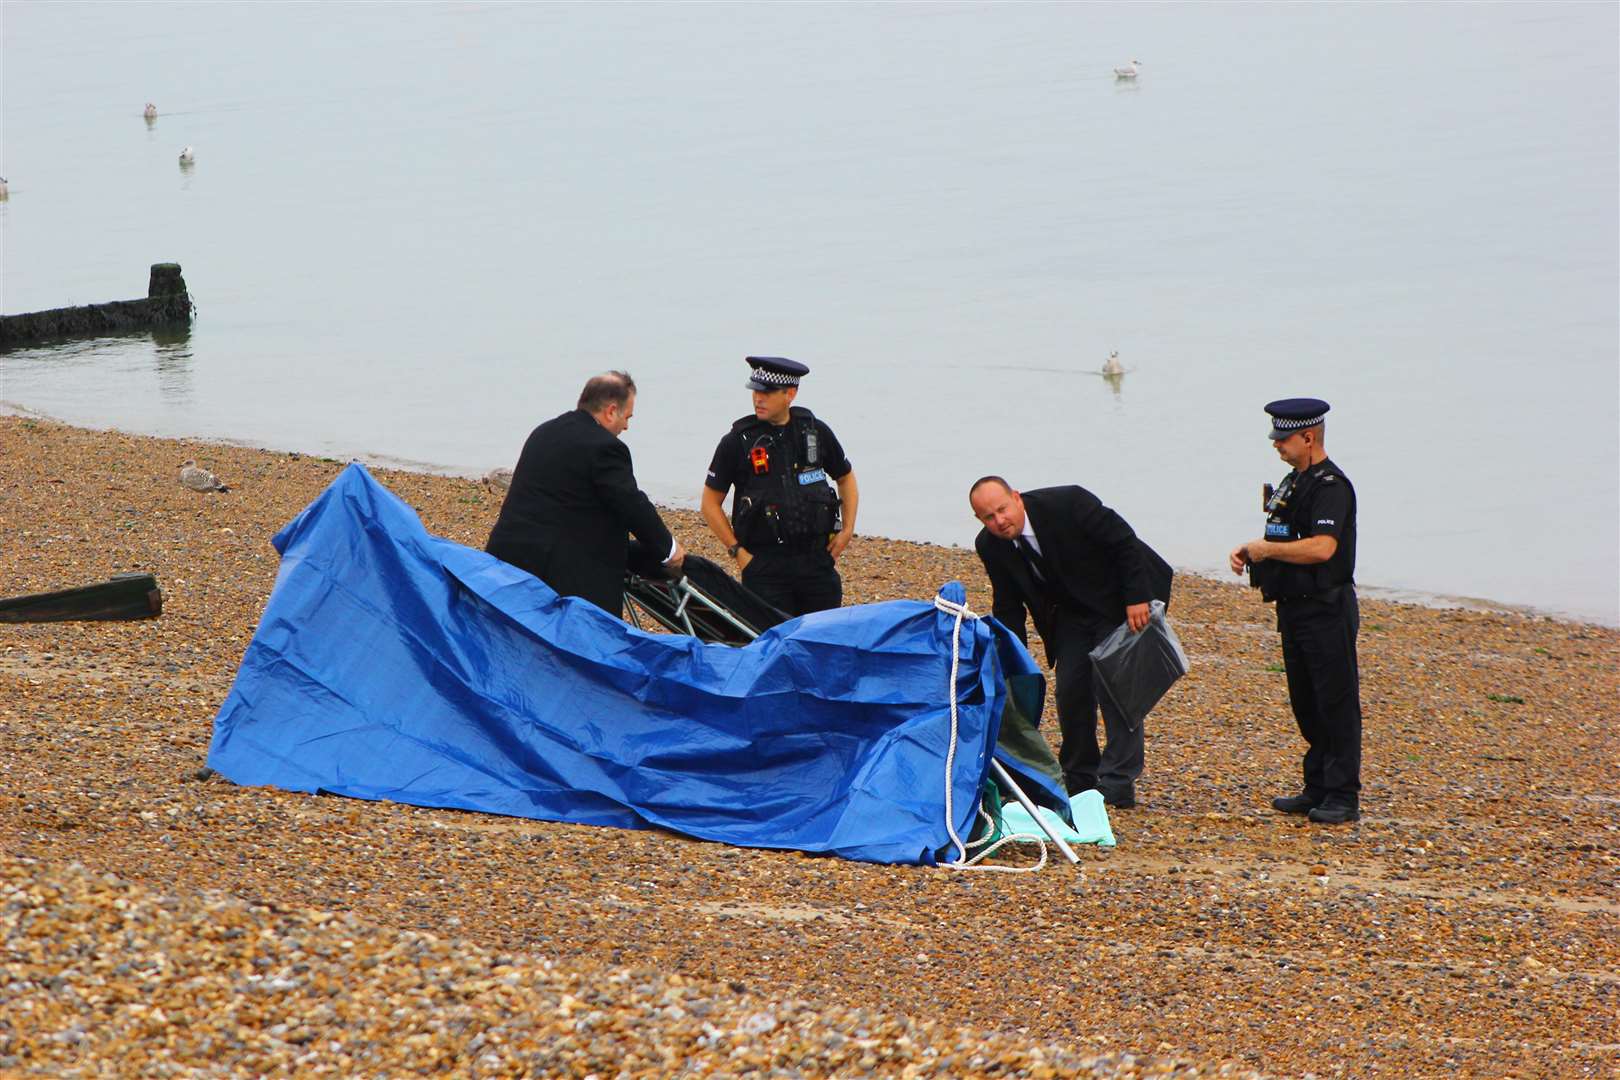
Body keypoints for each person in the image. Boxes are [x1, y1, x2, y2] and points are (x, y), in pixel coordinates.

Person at [969, 477, 1173, 807]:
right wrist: (1009, 652)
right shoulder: (990, 545)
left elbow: (1124, 542)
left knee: (1115, 684)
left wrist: (1139, 597)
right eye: (988, 517)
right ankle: (1079, 775)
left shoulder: (1069, 504)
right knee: (1071, 688)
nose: (999, 521)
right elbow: (1007, 602)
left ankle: (1118, 781)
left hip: (1118, 599)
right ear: (980, 520)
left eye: (1002, 510)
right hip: (1069, 614)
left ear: (1017, 498)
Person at [1228, 397, 1362, 825]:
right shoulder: (1295, 482)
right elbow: (1283, 536)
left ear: (1308, 437)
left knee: (1335, 702)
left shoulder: (1331, 487)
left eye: (1283, 439)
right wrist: (1254, 553)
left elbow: (1324, 548)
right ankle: (1318, 785)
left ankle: (1343, 795)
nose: (1277, 446)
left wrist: (1267, 549)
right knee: (1306, 702)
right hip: (1293, 608)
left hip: (1326, 608)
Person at [486, 371, 684, 615]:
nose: (626, 426)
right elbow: (630, 503)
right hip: (558, 573)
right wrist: (669, 550)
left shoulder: (544, 431)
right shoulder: (605, 447)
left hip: (506, 557)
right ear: (611, 411)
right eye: (627, 417)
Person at [701, 357, 858, 617]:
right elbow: (709, 503)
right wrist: (737, 552)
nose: (758, 399)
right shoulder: (737, 442)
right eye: (755, 391)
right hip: (764, 566)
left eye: (767, 392)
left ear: (790, 394)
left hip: (816, 562)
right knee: (772, 645)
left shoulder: (815, 432)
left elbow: (846, 478)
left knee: (822, 642)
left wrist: (848, 530)